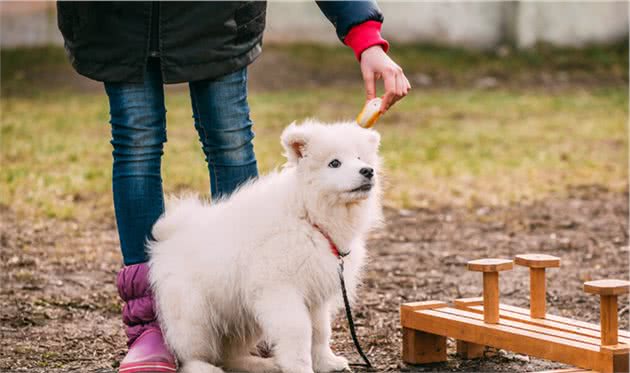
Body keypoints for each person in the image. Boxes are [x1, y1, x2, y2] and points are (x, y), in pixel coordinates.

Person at [57, 2, 410, 372]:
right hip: (116, 18)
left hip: (215, 16)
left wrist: (365, 37)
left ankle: (257, 323)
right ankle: (151, 324)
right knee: (137, 144)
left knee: (230, 143)